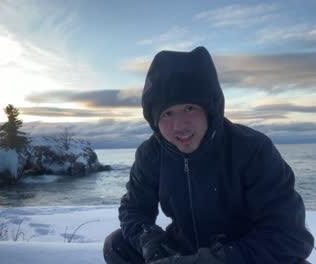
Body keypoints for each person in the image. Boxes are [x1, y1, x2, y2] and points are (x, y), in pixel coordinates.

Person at [103, 46, 314, 264]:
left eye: (190, 108)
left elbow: (291, 236)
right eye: (167, 113)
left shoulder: (253, 149)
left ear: (210, 109)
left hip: (242, 253)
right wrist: (152, 245)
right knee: (117, 245)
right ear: (154, 120)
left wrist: (212, 260)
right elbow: (134, 210)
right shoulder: (150, 154)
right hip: (184, 248)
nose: (179, 126)